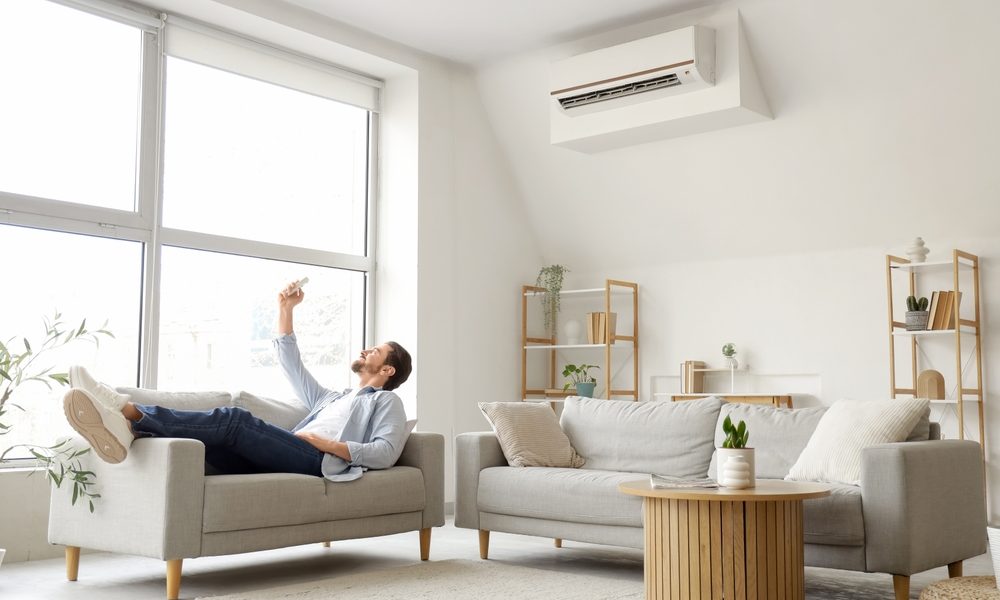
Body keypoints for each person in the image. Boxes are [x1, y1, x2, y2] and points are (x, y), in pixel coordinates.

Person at [62, 281, 413, 482]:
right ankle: (130, 430)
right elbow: (291, 365)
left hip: (317, 461)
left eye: (377, 351)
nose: (367, 349)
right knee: (208, 443)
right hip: (288, 451)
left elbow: (385, 454)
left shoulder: (385, 403)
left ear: (388, 370)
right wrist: (286, 310)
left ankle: (125, 409)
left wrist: (327, 445)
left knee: (234, 419)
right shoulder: (332, 398)